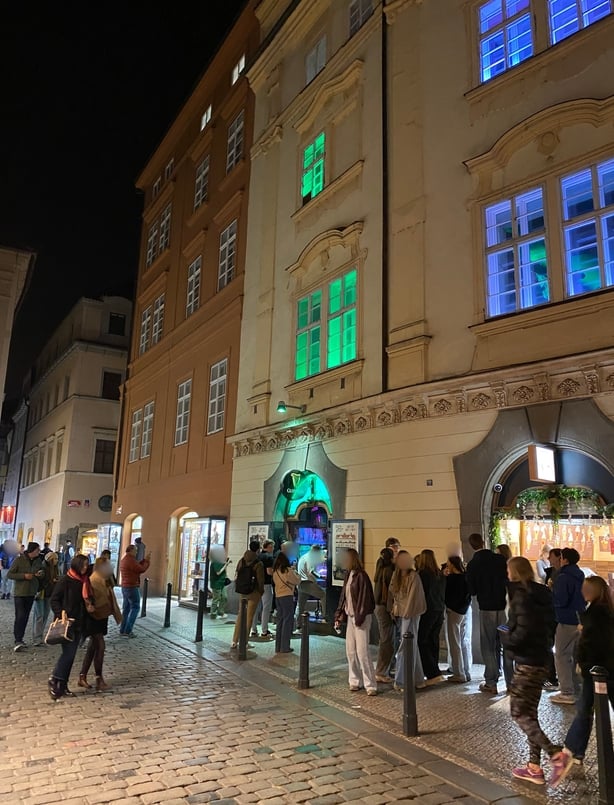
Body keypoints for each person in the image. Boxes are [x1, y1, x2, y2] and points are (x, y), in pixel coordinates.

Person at [549, 576, 614, 787]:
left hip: (598, 672)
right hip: (602, 670)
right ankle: (574, 751)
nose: (582, 592)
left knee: (584, 710)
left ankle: (571, 751)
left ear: (592, 592)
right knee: (585, 709)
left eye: (586, 589)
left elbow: (596, 645)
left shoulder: (596, 614)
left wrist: (584, 664)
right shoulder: (604, 610)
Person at [501, 557, 560, 786]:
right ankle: (534, 767)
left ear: (514, 572)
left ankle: (555, 754)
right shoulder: (542, 594)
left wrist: (505, 637)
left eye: (508, 569)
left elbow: (521, 632)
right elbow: (548, 626)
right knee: (531, 715)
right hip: (542, 659)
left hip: (527, 661)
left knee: (519, 713)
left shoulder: (521, 597)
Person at [466, 533, 508, 694]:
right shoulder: (499, 559)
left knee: (488, 644)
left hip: (486, 609)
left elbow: (472, 591)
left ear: (471, 545)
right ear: (483, 542)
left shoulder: (473, 564)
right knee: (503, 640)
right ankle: (504, 674)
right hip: (502, 610)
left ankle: (491, 681)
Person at [334, 549, 377, 696]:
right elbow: (344, 597)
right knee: (351, 651)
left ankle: (370, 684)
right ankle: (354, 681)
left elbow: (365, 599)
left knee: (362, 652)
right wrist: (340, 614)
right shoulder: (349, 575)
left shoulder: (361, 576)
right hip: (351, 615)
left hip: (361, 617)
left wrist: (359, 617)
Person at [48, 554, 89, 699]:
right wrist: (61, 613)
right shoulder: (66, 580)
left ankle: (62, 685)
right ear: (77, 565)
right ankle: (54, 679)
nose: (85, 567)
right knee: (68, 653)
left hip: (79, 622)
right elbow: (54, 600)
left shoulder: (84, 581)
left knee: (71, 656)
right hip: (67, 623)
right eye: (83, 565)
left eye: (87, 564)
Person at [78, 558, 121, 692]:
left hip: (102, 616)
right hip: (93, 617)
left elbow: (110, 597)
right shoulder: (92, 580)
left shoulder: (105, 580)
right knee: (100, 646)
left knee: (93, 647)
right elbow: (87, 599)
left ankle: (82, 676)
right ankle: (99, 678)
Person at [550, 547, 585, 705]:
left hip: (566, 620)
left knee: (561, 655)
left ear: (565, 559)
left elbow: (561, 600)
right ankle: (576, 688)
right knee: (574, 655)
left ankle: (566, 692)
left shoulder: (563, 577)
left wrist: (552, 592)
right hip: (579, 618)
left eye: (561, 557)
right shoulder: (580, 574)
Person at [389, 551, 426, 692]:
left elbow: (413, 597)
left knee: (405, 645)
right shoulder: (396, 575)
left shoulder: (414, 576)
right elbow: (394, 592)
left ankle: (401, 680)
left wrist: (406, 613)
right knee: (410, 645)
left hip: (411, 614)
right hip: (402, 614)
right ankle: (417, 679)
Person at [415, 549, 446, 685]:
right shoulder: (439, 573)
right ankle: (435, 669)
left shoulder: (422, 574)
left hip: (428, 611)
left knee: (422, 640)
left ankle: (432, 672)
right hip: (439, 610)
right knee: (433, 640)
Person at [8, 541, 44, 651]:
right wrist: (24, 576)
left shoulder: (38, 561)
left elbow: (42, 572)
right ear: (32, 550)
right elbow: (10, 574)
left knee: (26, 616)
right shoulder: (19, 560)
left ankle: (21, 638)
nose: (39, 552)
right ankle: (17, 639)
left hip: (31, 592)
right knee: (20, 616)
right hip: (20, 593)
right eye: (38, 550)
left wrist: (40, 574)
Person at [231, 540, 264, 650]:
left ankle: (234, 641)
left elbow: (237, 572)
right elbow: (260, 580)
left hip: (242, 591)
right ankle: (244, 642)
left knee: (240, 616)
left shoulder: (242, 560)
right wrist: (261, 591)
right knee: (249, 618)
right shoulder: (258, 563)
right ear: (258, 549)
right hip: (253, 592)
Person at [444, 555, 472, 683]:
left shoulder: (452, 579)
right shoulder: (466, 577)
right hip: (464, 610)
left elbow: (448, 595)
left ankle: (459, 673)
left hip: (454, 611)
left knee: (454, 643)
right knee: (463, 642)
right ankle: (466, 671)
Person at [119, 544, 151, 637]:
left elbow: (136, 567)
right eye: (135, 550)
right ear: (131, 550)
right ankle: (128, 630)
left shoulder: (125, 559)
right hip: (132, 586)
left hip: (125, 586)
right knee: (135, 607)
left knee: (126, 609)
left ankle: (122, 629)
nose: (136, 552)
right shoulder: (130, 560)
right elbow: (141, 569)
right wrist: (147, 561)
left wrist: (144, 560)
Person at [373, 547, 395, 683]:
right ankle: (381, 671)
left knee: (386, 638)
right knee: (387, 640)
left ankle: (385, 669)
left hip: (379, 607)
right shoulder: (389, 571)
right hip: (385, 608)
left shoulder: (379, 569)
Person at [272, 551, 301, 654]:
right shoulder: (287, 570)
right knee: (287, 620)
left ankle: (278, 646)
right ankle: (285, 646)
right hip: (287, 596)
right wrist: (295, 572)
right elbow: (297, 581)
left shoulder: (275, 571)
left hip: (278, 596)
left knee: (280, 620)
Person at [32, 551, 60, 646]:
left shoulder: (56, 569)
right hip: (41, 593)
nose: (57, 560)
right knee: (39, 616)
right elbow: (40, 578)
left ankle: (39, 636)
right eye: (55, 559)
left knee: (45, 616)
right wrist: (50, 580)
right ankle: (37, 638)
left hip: (50, 594)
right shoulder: (43, 567)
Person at [251, 539, 275, 639]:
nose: (273, 549)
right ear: (269, 546)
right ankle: (264, 630)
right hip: (266, 584)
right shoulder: (269, 557)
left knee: (256, 607)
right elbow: (269, 572)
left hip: (257, 585)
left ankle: (253, 629)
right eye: (272, 546)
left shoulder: (258, 556)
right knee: (266, 608)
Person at [297, 545, 326, 623]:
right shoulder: (311, 558)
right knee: (323, 595)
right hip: (308, 583)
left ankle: (298, 626)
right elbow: (311, 572)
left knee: (300, 606)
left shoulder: (303, 557)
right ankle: (325, 616)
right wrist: (320, 577)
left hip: (300, 583)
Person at [210, 546, 231, 619]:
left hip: (222, 582)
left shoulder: (221, 561)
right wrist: (226, 565)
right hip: (216, 583)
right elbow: (218, 572)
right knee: (216, 598)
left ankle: (220, 612)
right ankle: (213, 614)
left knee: (224, 597)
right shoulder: (215, 562)